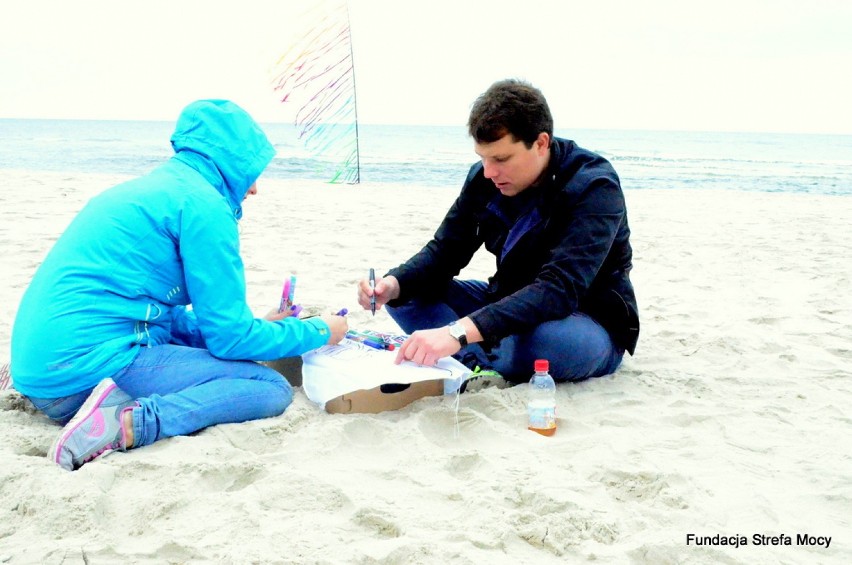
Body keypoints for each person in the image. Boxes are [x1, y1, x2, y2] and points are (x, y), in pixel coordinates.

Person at [11, 99, 348, 471]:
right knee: (268, 388)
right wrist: (320, 330)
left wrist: (264, 328)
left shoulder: (156, 189)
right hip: (78, 379)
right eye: (253, 171)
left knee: (211, 343)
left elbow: (167, 319)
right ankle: (128, 423)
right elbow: (230, 340)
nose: (254, 189)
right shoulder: (205, 208)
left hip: (40, 370)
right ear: (233, 163)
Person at [357, 79, 638, 385]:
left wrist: (456, 332)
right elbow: (445, 251)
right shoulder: (485, 179)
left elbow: (559, 290)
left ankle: (472, 354)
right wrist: (391, 285)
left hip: (584, 318)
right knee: (409, 290)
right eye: (483, 158)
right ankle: (476, 364)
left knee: (534, 345)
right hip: (505, 300)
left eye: (502, 159)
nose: (489, 171)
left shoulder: (594, 186)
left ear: (541, 143)